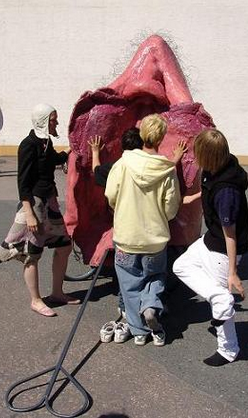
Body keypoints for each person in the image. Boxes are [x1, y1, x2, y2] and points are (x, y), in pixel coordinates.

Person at [173, 128, 248, 367]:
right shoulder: (218, 167)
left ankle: (228, 350)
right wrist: (194, 197)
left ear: (208, 156)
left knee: (220, 299)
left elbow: (231, 234)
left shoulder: (227, 192)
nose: (194, 155)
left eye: (197, 152)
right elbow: (210, 188)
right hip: (212, 237)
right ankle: (220, 299)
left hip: (223, 248)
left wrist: (232, 272)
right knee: (181, 265)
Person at [0, 104, 79, 316]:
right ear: (43, 121)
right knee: (32, 254)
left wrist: (72, 149)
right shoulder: (28, 145)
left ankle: (57, 293)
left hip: (49, 202)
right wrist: (29, 213)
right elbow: (22, 183)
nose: (56, 123)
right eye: (53, 119)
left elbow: (55, 160)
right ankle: (36, 300)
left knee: (64, 246)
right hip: (33, 204)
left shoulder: (45, 142)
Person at [104, 114, 181, 347]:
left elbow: (110, 195)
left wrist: (121, 208)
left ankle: (138, 332)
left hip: (126, 236)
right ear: (161, 138)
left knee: (129, 285)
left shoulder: (122, 164)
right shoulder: (167, 169)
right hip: (155, 239)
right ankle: (150, 306)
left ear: (142, 134)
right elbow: (171, 208)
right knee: (155, 277)